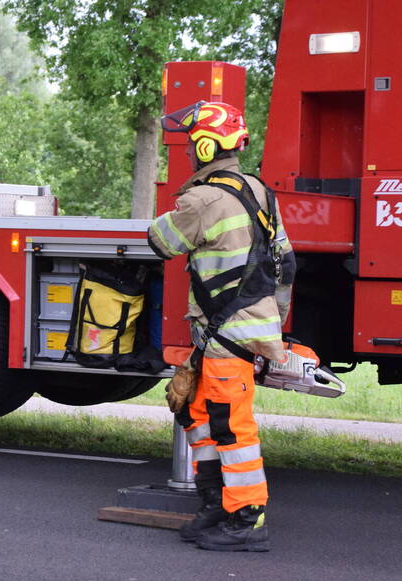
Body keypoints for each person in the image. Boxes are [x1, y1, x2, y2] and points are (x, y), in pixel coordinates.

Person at [147, 100, 294, 552]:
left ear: (207, 147)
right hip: (228, 332)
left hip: (227, 332)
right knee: (198, 413)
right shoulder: (261, 192)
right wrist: (274, 327)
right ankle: (217, 504)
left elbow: (160, 241)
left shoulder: (203, 199)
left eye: (193, 144)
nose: (191, 152)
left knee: (230, 424)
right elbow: (285, 264)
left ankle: (248, 517)